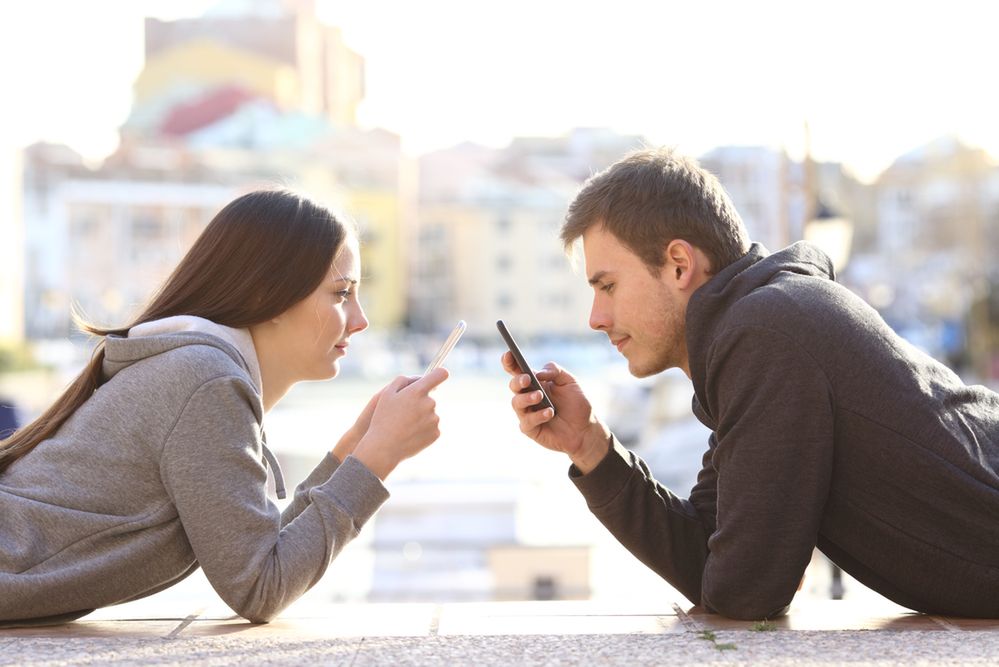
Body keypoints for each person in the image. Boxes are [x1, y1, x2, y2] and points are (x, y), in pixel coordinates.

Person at [502, 147, 999, 620]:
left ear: (679, 264)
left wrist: (742, 573)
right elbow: (710, 562)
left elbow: (745, 590)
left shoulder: (765, 333)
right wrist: (591, 446)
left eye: (607, 286)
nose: (596, 317)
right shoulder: (760, 327)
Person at [0, 189, 448, 626]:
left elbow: (260, 552)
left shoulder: (195, 367)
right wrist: (377, 459)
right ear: (266, 295)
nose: (361, 319)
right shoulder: (206, 379)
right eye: (341, 294)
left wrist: (351, 453)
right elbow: (260, 586)